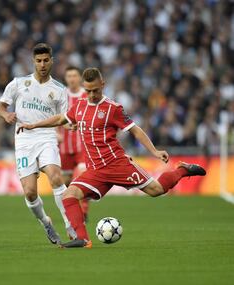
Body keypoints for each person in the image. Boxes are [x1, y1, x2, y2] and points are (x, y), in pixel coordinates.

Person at [17, 67, 206, 248]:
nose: (91, 95)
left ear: (103, 84)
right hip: (96, 171)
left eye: (95, 90)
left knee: (157, 190)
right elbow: (60, 119)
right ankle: (82, 240)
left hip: (117, 164)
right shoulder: (80, 106)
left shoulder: (112, 108)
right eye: (88, 90)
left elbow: (135, 130)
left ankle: (182, 169)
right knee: (69, 195)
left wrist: (154, 151)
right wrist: (35, 125)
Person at [0, 43, 74, 244]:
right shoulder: (18, 83)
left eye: (46, 60)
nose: (42, 64)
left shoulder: (59, 89)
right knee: (30, 192)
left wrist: (70, 127)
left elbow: (62, 118)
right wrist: (5, 115)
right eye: (38, 61)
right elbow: (0, 106)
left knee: (56, 177)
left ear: (52, 61)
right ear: (33, 62)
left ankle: (70, 224)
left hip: (47, 137)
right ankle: (45, 222)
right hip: (24, 140)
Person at [59, 66, 89, 222]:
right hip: (64, 147)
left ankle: (84, 211)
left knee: (83, 177)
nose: (71, 78)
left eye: (74, 75)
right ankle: (71, 211)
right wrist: (57, 133)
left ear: (80, 78)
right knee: (66, 181)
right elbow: (56, 117)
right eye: (69, 75)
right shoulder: (61, 95)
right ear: (66, 78)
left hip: (82, 146)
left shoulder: (86, 95)